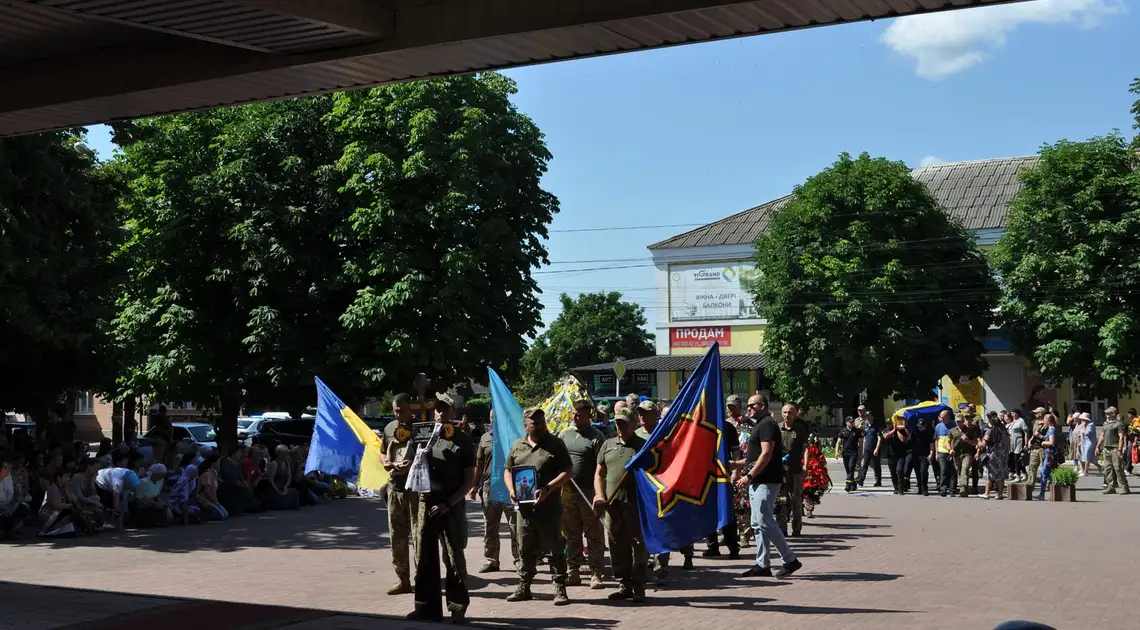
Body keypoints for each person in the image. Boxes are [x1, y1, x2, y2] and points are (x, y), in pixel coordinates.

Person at [408, 392, 476, 623]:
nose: (439, 414)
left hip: (450, 505)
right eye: (437, 409)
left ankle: (457, 608)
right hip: (425, 503)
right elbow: (413, 466)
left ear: (453, 412)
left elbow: (469, 480)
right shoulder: (424, 434)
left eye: (445, 409)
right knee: (424, 557)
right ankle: (425, 608)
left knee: (453, 557)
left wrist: (449, 503)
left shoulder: (462, 439)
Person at [504, 407, 572, 606]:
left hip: (548, 509)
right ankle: (524, 586)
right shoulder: (518, 446)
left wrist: (548, 488)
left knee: (555, 549)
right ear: (526, 425)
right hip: (524, 510)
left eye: (542, 422)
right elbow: (508, 471)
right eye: (535, 423)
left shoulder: (555, 444)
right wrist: (511, 490)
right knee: (525, 549)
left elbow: (567, 471)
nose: (539, 425)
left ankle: (560, 588)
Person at [737, 403, 801, 579]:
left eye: (752, 405)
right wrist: (737, 464)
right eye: (747, 405)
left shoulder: (767, 424)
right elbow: (755, 456)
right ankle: (762, 564)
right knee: (757, 523)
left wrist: (748, 476)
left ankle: (790, 559)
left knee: (765, 521)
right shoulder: (761, 425)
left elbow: (766, 454)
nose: (748, 408)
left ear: (763, 406)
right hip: (758, 480)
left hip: (766, 480)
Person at [592, 407, 648, 602]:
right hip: (612, 505)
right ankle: (624, 585)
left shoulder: (643, 446)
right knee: (617, 545)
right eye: (617, 422)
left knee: (639, 546)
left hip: (637, 506)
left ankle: (639, 585)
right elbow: (599, 473)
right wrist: (599, 495)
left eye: (624, 422)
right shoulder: (607, 444)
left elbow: (656, 474)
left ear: (634, 424)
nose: (620, 426)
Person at [635, 399, 693, 578]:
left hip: (661, 486)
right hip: (641, 486)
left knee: (664, 525)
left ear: (656, 414)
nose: (642, 416)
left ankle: (664, 565)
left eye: (646, 413)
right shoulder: (635, 434)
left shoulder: (665, 434)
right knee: (643, 526)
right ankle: (644, 563)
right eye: (640, 413)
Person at [559, 399, 607, 589]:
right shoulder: (565, 434)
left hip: (588, 492)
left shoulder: (596, 437)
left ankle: (596, 572)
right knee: (571, 533)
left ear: (588, 415)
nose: (575, 417)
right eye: (573, 413)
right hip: (567, 492)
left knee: (593, 533)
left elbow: (601, 466)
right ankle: (573, 571)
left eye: (579, 414)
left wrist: (599, 493)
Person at [470, 409, 519, 574]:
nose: (494, 420)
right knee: (490, 528)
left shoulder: (512, 436)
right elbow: (479, 463)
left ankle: (519, 560)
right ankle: (492, 560)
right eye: (492, 418)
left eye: (497, 417)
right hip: (489, 488)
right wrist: (473, 485)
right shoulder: (485, 438)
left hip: (509, 489)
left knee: (515, 527)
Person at [382, 393, 420, 594]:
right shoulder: (389, 428)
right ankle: (402, 579)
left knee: (418, 536)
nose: (398, 415)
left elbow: (428, 455)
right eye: (395, 411)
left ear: (410, 409)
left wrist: (412, 464)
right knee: (397, 536)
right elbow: (382, 451)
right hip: (395, 488)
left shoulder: (420, 428)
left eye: (402, 411)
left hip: (414, 490)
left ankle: (421, 579)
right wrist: (386, 463)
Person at [704, 396, 743, 558]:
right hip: (706, 476)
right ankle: (713, 546)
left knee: (727, 512)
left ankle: (733, 547)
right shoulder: (703, 428)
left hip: (723, 474)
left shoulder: (728, 428)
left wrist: (735, 471)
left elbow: (736, 451)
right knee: (708, 512)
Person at [779, 405, 809, 533]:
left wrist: (805, 466)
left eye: (790, 412)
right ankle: (782, 529)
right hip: (781, 470)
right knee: (782, 499)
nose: (787, 415)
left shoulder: (800, 429)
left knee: (796, 499)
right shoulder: (777, 428)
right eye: (785, 412)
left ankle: (797, 528)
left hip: (796, 468)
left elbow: (805, 447)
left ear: (795, 414)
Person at [94, 465, 141, 529]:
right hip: (99, 482)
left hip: (110, 484)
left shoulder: (131, 477)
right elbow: (116, 498)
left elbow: (125, 498)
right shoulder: (118, 480)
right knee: (110, 503)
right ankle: (107, 522)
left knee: (121, 502)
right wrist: (118, 512)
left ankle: (116, 523)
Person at [1097, 406, 1131, 495]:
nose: (1107, 415)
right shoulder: (1105, 424)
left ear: (1113, 414)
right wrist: (1098, 446)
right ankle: (1111, 487)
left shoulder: (1118, 424)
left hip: (1115, 448)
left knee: (1117, 468)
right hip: (1106, 448)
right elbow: (1102, 435)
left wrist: (1120, 449)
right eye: (1106, 413)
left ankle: (1124, 487)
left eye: (1108, 413)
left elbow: (1121, 437)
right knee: (1108, 468)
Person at [980, 414, 1009, 500]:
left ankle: (987, 493)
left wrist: (978, 444)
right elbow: (1008, 443)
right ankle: (1000, 494)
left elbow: (984, 443)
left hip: (992, 455)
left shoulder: (990, 431)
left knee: (989, 474)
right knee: (1001, 474)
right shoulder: (1005, 431)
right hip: (1003, 455)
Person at [951, 414, 980, 498]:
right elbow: (949, 441)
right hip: (956, 454)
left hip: (967, 454)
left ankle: (962, 488)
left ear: (963, 421)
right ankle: (964, 488)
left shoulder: (970, 430)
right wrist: (950, 449)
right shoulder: (953, 430)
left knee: (965, 469)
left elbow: (975, 443)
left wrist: (967, 440)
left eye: (960, 421)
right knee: (960, 471)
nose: (958, 423)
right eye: (957, 421)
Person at [1032, 414, 1059, 501]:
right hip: (1049, 454)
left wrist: (1043, 443)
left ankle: (1042, 494)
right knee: (1051, 473)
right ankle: (1050, 493)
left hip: (1050, 454)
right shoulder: (1050, 429)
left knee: (1044, 473)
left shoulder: (1051, 430)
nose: (1043, 421)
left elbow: (1052, 442)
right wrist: (1040, 436)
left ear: (1048, 421)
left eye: (1044, 420)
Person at [835, 417, 862, 492]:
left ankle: (848, 484)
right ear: (846, 422)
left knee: (851, 468)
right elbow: (838, 442)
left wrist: (861, 452)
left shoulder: (856, 431)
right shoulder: (842, 431)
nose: (851, 423)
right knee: (848, 470)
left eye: (852, 422)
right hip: (845, 453)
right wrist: (836, 452)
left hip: (853, 453)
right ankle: (853, 484)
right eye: (850, 422)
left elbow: (860, 442)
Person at [857, 410, 883, 487]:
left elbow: (879, 439)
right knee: (864, 465)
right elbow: (864, 438)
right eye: (867, 417)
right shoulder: (865, 426)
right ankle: (861, 480)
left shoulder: (876, 427)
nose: (868, 418)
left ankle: (878, 481)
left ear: (872, 417)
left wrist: (877, 449)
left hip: (874, 449)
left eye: (869, 416)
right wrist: (863, 449)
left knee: (876, 466)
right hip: (867, 449)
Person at [1025, 407, 1048, 494]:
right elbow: (1034, 433)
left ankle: (1048, 484)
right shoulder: (1035, 422)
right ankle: (1031, 484)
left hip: (1043, 447)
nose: (1035, 414)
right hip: (1035, 447)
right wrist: (1030, 440)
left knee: (1045, 467)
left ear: (1041, 413)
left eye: (1037, 412)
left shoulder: (1047, 422)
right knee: (1032, 466)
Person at [911, 417, 934, 495]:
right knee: (918, 472)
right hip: (915, 454)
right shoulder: (914, 432)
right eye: (919, 425)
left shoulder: (927, 432)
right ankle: (920, 488)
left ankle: (925, 488)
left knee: (923, 471)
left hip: (925, 454)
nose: (920, 427)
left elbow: (931, 442)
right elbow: (907, 440)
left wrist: (931, 453)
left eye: (922, 425)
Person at [935, 410, 956, 497]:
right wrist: (936, 453)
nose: (941, 419)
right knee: (943, 470)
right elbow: (936, 440)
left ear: (948, 417)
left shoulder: (954, 425)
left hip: (952, 451)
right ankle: (943, 489)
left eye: (943, 417)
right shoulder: (938, 426)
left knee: (953, 471)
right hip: (942, 451)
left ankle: (952, 490)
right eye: (940, 417)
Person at [1008, 409, 1029, 482]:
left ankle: (1018, 475)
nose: (1012, 415)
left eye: (1013, 413)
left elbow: (1026, 432)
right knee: (1014, 459)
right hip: (1012, 443)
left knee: (1017, 459)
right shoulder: (1013, 422)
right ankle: (1024, 474)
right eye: (1011, 413)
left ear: (1017, 413)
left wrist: (1026, 443)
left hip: (1019, 441)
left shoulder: (1021, 421)